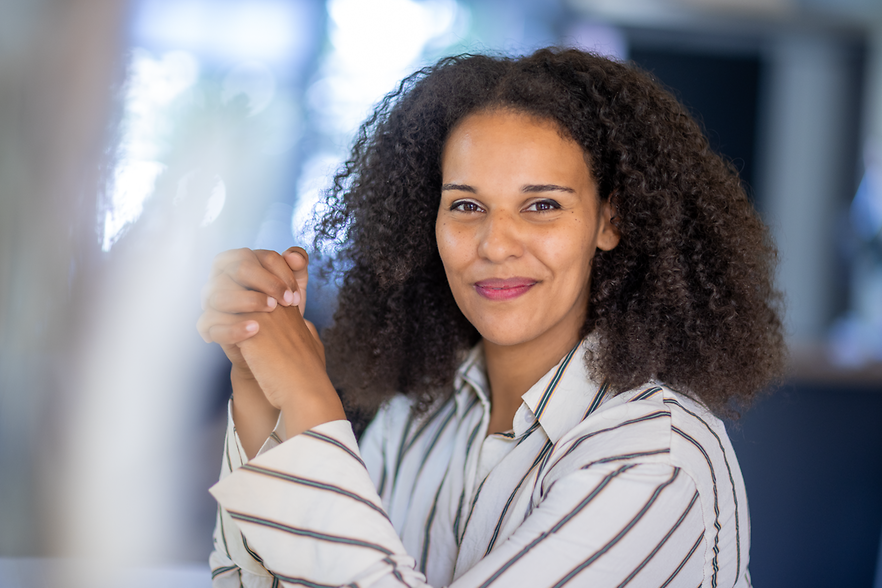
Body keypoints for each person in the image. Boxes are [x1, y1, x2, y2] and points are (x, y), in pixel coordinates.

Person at [198, 48, 785, 587]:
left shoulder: (655, 457)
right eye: (467, 205)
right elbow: (253, 578)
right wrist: (263, 395)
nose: (496, 244)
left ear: (610, 222)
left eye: (543, 205)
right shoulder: (417, 417)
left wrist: (309, 406)